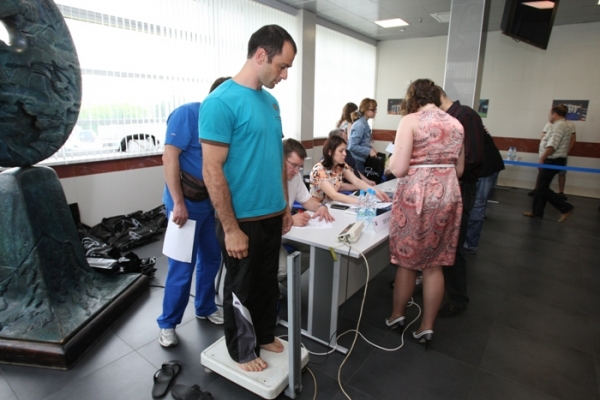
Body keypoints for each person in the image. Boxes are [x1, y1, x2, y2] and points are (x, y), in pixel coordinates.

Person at [199, 25, 296, 372]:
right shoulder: (220, 102)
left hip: (272, 213)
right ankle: (241, 350)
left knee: (268, 282)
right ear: (260, 55)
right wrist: (230, 228)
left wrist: (284, 206)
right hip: (241, 219)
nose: (284, 75)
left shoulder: (271, 103)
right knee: (242, 286)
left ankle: (265, 333)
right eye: (282, 66)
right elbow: (212, 169)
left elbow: (275, 157)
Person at [386, 79, 464, 348]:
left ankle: (397, 316)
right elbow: (460, 169)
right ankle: (426, 327)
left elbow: (398, 168)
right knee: (435, 263)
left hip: (417, 196)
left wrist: (393, 161)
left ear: (413, 98)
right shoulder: (456, 124)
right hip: (447, 194)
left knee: (407, 260)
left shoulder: (410, 121)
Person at [157, 76, 231, 348]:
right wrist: (178, 203)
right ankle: (168, 323)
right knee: (182, 267)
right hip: (184, 203)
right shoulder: (187, 114)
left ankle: (205, 306)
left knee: (211, 258)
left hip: (208, 204)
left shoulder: (223, 125)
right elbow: (169, 158)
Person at [437, 87, 485, 317]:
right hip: (450, 187)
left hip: (462, 187)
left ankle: (458, 298)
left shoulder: (465, 115)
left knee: (454, 245)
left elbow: (473, 156)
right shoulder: (452, 117)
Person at [523, 105, 575, 222]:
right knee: (542, 187)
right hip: (554, 159)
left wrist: (542, 158)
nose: (549, 116)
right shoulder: (560, 125)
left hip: (553, 160)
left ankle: (566, 208)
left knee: (542, 188)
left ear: (555, 114)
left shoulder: (559, 126)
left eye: (549, 114)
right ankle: (537, 212)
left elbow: (552, 145)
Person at [310, 135, 390, 204]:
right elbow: (334, 195)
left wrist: (376, 192)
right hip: (318, 208)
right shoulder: (319, 170)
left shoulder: (341, 165)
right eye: (341, 151)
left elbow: (357, 181)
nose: (345, 154)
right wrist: (362, 201)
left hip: (332, 205)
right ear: (330, 152)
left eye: (345, 150)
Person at [463, 129, 505, 253]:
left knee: (477, 204)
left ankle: (470, 244)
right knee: (475, 204)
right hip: (482, 166)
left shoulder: (464, 125)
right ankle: (468, 241)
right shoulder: (471, 124)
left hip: (484, 168)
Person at [284, 138, 334, 227]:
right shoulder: (268, 179)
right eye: (294, 165)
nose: (296, 171)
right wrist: (290, 221)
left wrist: (321, 206)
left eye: (299, 167)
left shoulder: (296, 176)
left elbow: (306, 200)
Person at [528, 119, 576, 199]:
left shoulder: (569, 125)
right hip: (547, 154)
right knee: (542, 173)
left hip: (559, 155)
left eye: (550, 114)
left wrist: (566, 151)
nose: (549, 116)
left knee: (561, 173)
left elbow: (572, 139)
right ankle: (536, 190)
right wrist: (544, 151)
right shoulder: (549, 124)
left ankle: (561, 193)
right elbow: (543, 137)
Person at [347, 98, 379, 175]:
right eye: (373, 110)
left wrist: (371, 148)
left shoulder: (364, 123)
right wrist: (369, 151)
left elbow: (362, 143)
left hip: (360, 160)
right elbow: (352, 146)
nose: (375, 112)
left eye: (375, 109)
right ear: (365, 110)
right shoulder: (360, 125)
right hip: (356, 161)